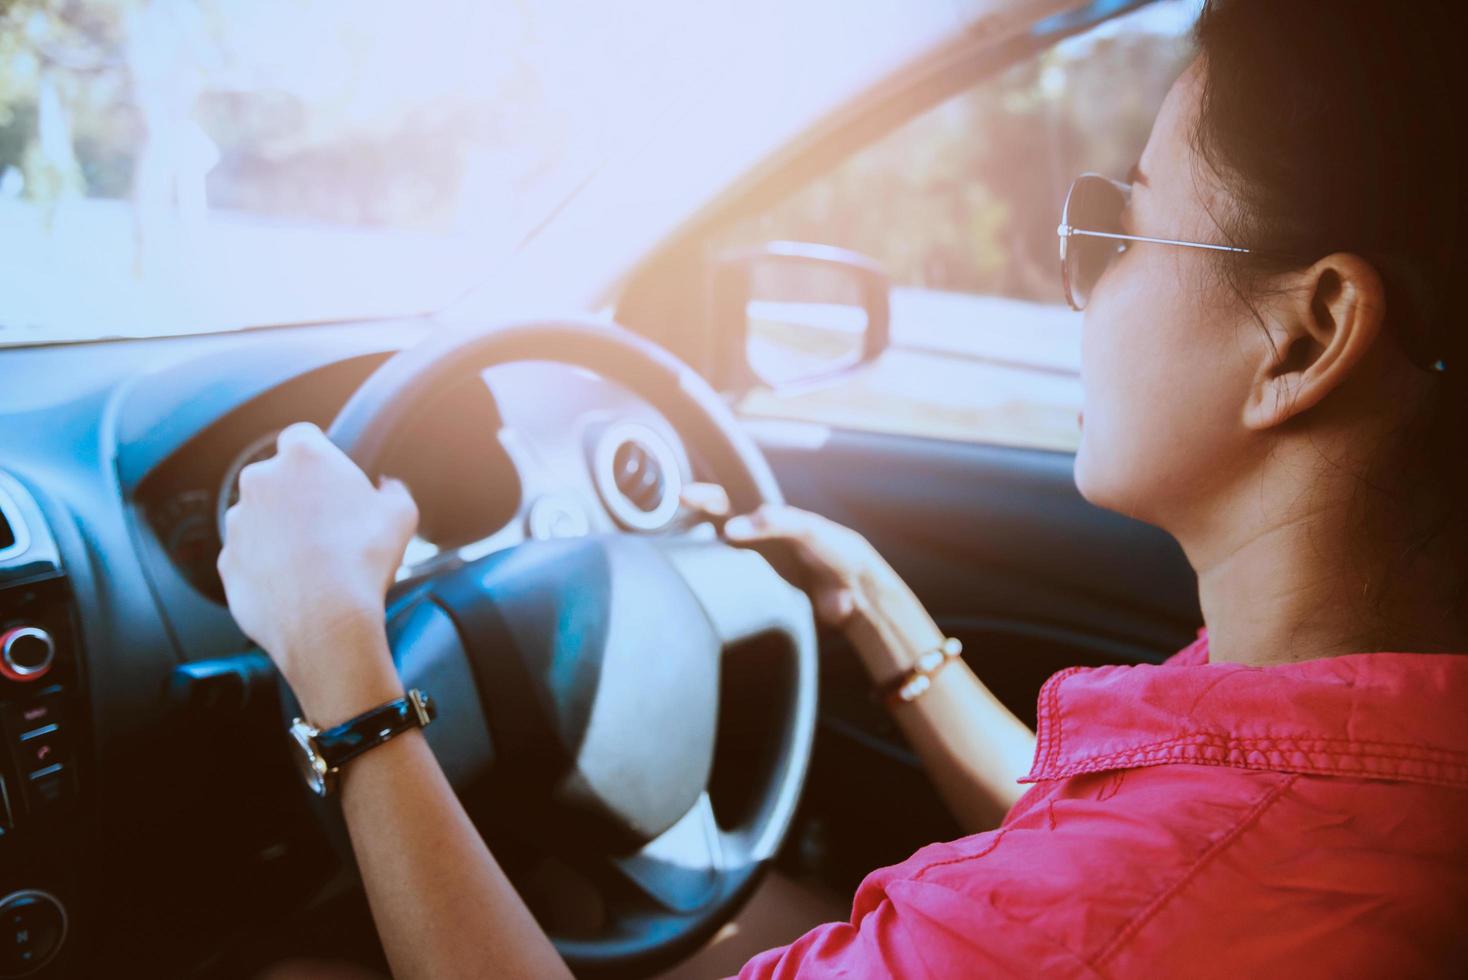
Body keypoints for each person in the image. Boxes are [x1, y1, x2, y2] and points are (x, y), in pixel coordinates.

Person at [220, 1, 1468, 975]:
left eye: (1124, 225)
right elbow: (1114, 840)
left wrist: (343, 657)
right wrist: (882, 609)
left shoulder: (1091, 923)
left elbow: (1109, 908)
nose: (1077, 278)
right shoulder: (1351, 729)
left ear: (1303, 342)